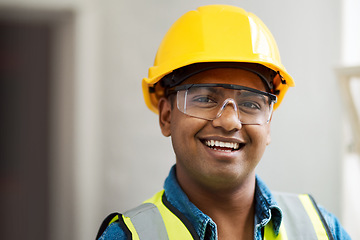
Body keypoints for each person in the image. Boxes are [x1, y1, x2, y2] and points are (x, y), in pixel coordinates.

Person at [97, 4, 351, 240]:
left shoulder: (322, 229)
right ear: (166, 116)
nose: (229, 121)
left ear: (269, 123)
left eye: (251, 104)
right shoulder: (128, 236)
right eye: (206, 98)